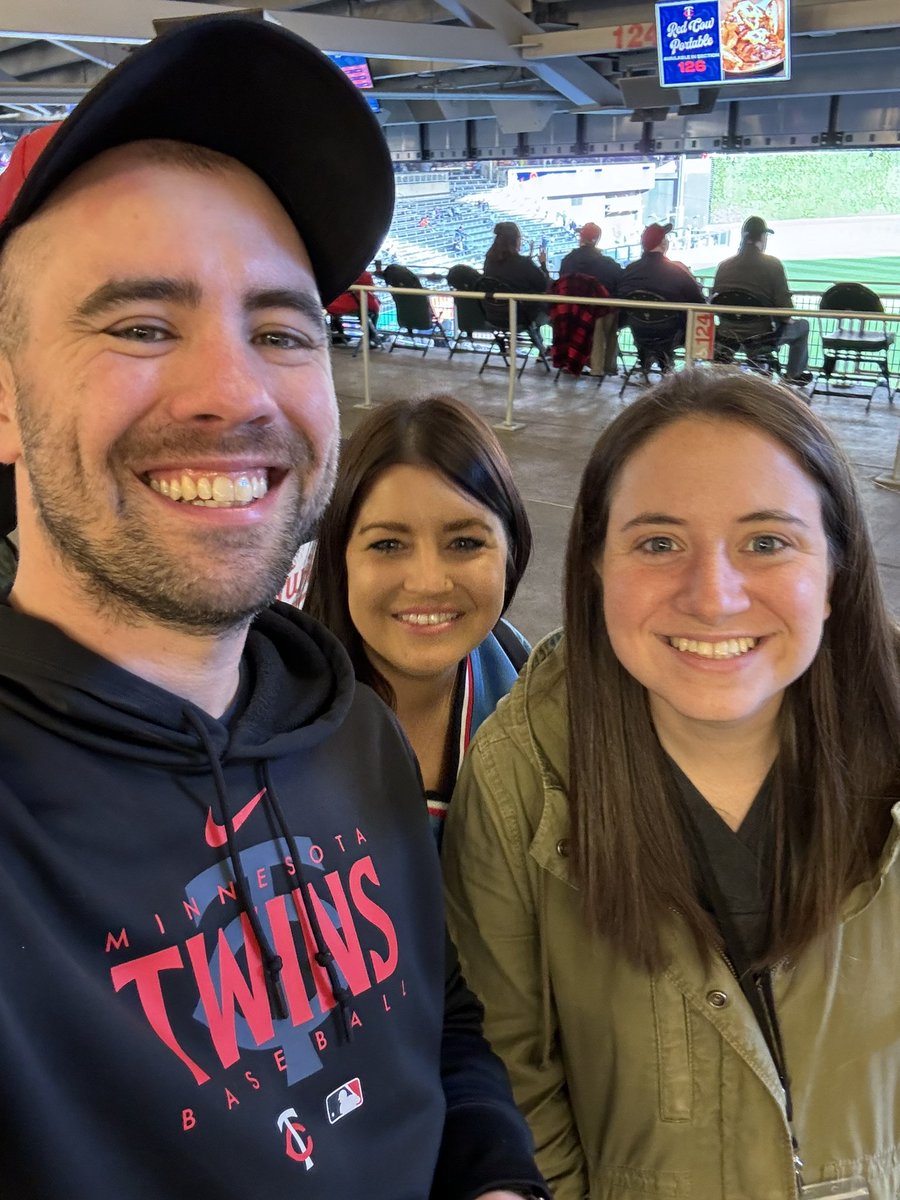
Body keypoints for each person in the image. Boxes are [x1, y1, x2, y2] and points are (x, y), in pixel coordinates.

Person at [0, 17, 548, 1200]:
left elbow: (433, 1028)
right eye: (142, 325)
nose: (234, 391)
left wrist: (497, 1178)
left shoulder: (348, 732)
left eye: (281, 329)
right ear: (3, 397)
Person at [444, 366, 900, 1199]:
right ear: (595, 567)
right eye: (658, 542)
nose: (714, 597)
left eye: (767, 541)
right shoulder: (521, 777)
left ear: (835, 570)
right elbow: (514, 1073)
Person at [305, 394, 532, 847]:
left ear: (511, 550)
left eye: (465, 543)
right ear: (339, 558)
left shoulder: (526, 679)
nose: (429, 583)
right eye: (388, 544)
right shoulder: (272, 726)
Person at [712, 215, 813, 384]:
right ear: (762, 237)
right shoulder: (773, 265)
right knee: (803, 326)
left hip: (726, 333)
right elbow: (785, 312)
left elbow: (715, 301)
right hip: (763, 335)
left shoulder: (724, 266)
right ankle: (794, 375)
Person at [558, 222, 624, 377]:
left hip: (570, 316)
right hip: (596, 318)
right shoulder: (608, 265)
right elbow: (619, 284)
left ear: (581, 238)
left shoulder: (567, 261)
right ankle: (606, 365)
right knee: (608, 312)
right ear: (597, 239)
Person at [620, 220, 707, 307]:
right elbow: (699, 302)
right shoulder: (678, 270)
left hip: (633, 320)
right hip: (674, 320)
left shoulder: (630, 270)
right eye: (665, 237)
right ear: (663, 243)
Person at [482, 221, 551, 326]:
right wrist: (543, 265)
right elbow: (543, 285)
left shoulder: (488, 261)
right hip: (521, 316)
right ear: (515, 240)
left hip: (494, 315)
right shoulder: (524, 263)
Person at [325, 269, 382, 346]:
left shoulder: (347, 273)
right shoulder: (361, 274)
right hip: (360, 303)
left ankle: (341, 335)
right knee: (369, 313)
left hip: (348, 302)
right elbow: (371, 287)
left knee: (328, 309)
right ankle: (372, 336)